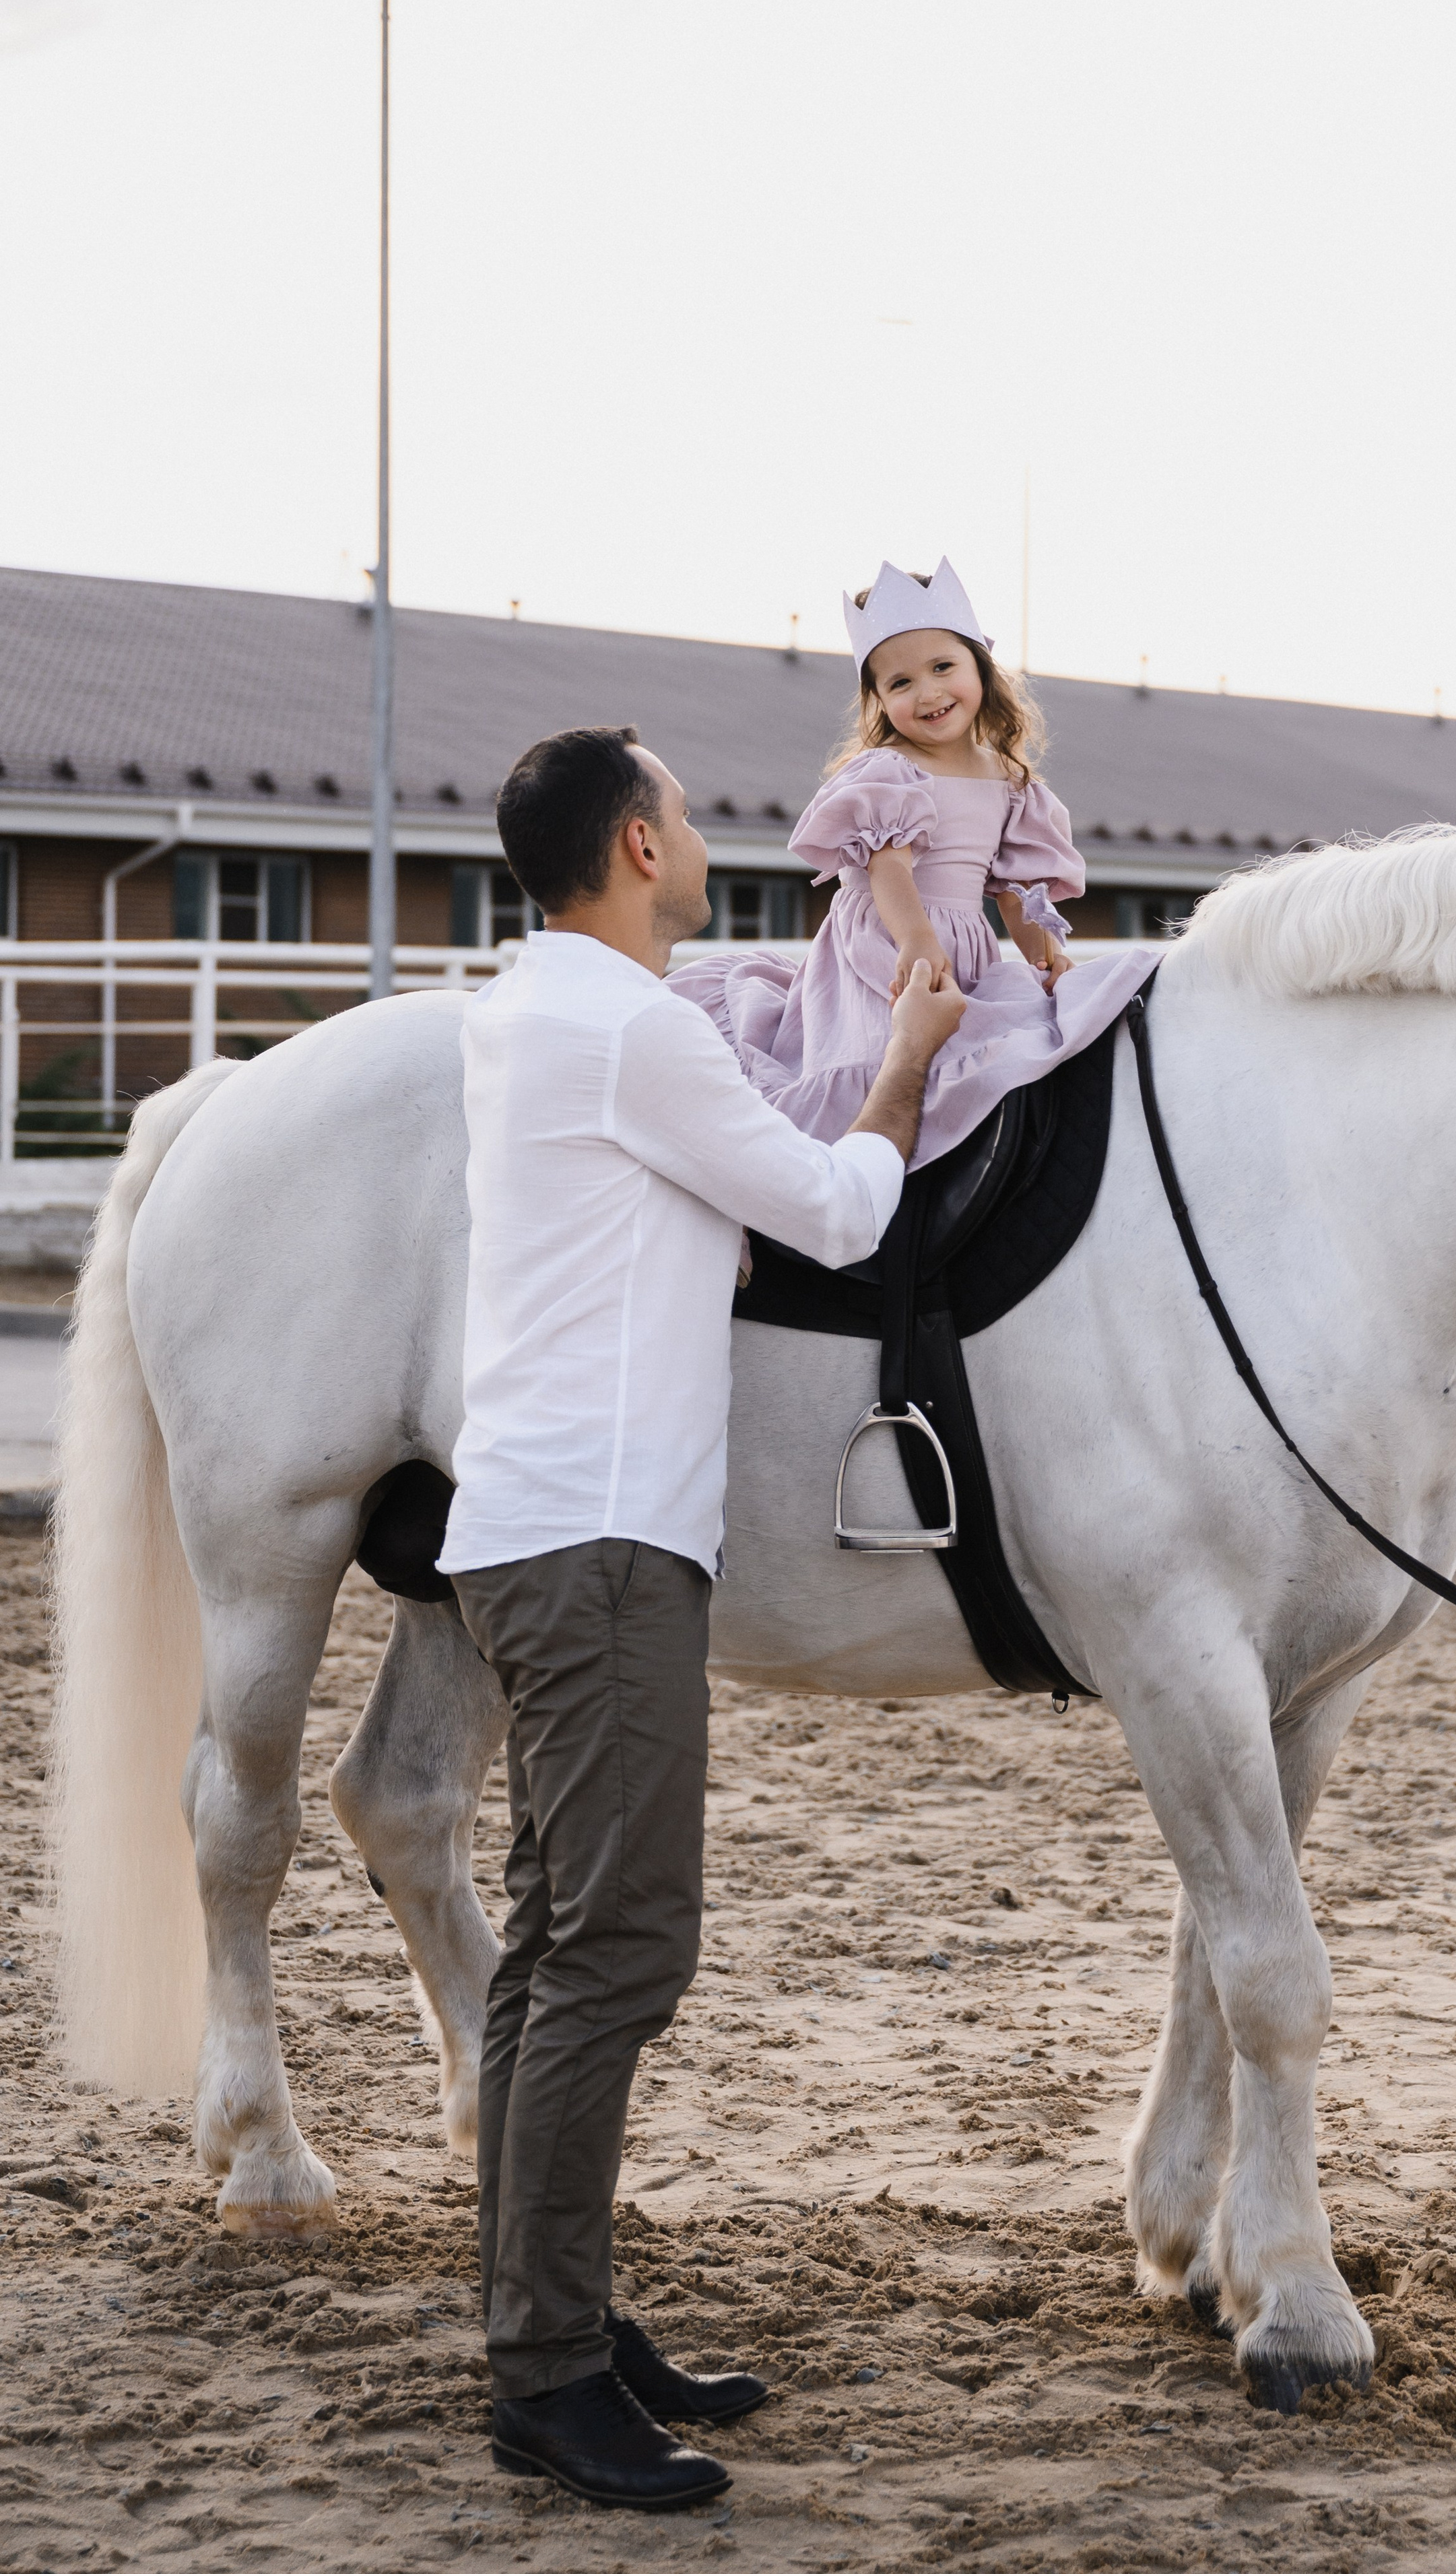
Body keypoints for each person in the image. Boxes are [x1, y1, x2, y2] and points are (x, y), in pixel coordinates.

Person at [434, 725, 964, 2511]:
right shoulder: (631, 1026)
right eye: (681, 808)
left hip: (533, 1532)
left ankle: (554, 2312)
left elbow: (671, 1204)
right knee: (626, 1946)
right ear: (637, 846)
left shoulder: (527, 1010)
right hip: (597, 1544)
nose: (704, 829)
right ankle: (547, 2376)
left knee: (549, 1945)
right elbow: (826, 1208)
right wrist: (900, 1055)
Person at [674, 558, 1155, 1168]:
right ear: (877, 701)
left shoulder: (1010, 781)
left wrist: (1043, 954)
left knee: (1009, 1042)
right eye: (900, 684)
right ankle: (861, 1181)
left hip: (962, 950)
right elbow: (889, 872)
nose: (927, 692)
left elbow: (1015, 892)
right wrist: (918, 943)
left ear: (980, 668)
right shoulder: (890, 771)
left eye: (942, 667)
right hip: (888, 941)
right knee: (889, 1062)